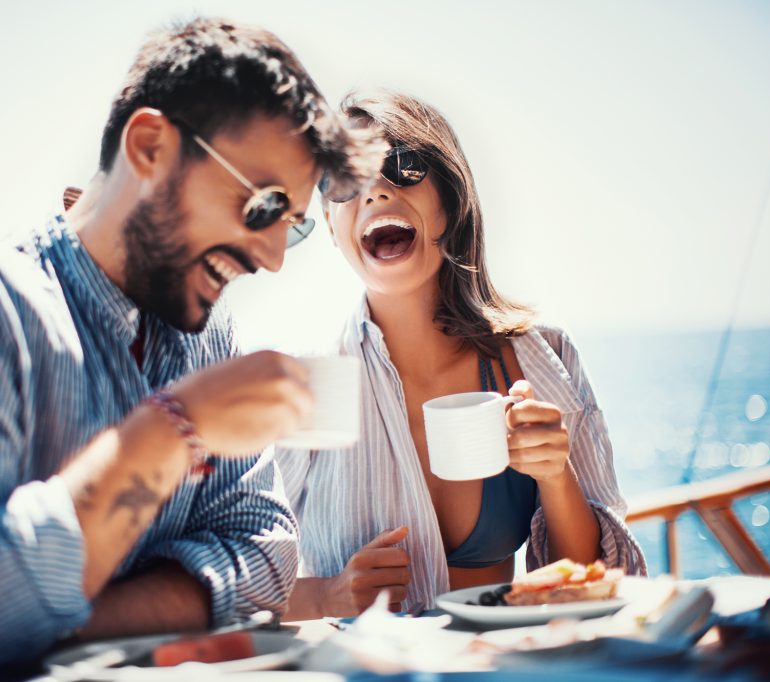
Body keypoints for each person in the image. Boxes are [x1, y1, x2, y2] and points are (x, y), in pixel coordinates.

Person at [0, 18, 382, 681]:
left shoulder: (209, 339)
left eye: (290, 229)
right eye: (262, 207)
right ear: (149, 146)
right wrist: (172, 428)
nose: (270, 260)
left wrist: (52, 620)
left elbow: (265, 560)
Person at [277, 90, 647, 619]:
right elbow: (233, 584)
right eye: (343, 180)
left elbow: (587, 580)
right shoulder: (306, 384)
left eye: (403, 166)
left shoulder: (543, 359)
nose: (376, 192)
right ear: (332, 228)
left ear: (451, 201)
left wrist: (554, 474)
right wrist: (326, 595)